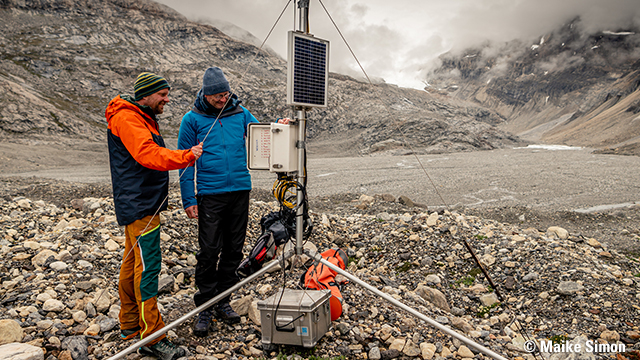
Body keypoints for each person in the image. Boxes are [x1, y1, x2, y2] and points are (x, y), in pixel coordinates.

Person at [106, 72, 203, 360]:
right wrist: (186, 156)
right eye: (162, 94)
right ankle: (152, 336)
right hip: (140, 206)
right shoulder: (129, 118)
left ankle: (129, 325)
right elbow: (149, 155)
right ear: (146, 95)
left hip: (138, 204)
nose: (167, 98)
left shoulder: (137, 115)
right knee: (147, 268)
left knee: (132, 263)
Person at [177, 67, 258, 337]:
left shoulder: (240, 112)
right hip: (210, 193)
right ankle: (205, 307)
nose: (223, 99)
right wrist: (189, 198)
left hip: (240, 190)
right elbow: (185, 161)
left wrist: (280, 126)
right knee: (209, 250)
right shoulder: (192, 119)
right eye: (217, 96)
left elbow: (263, 134)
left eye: (225, 94)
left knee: (234, 249)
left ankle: (224, 301)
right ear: (206, 94)